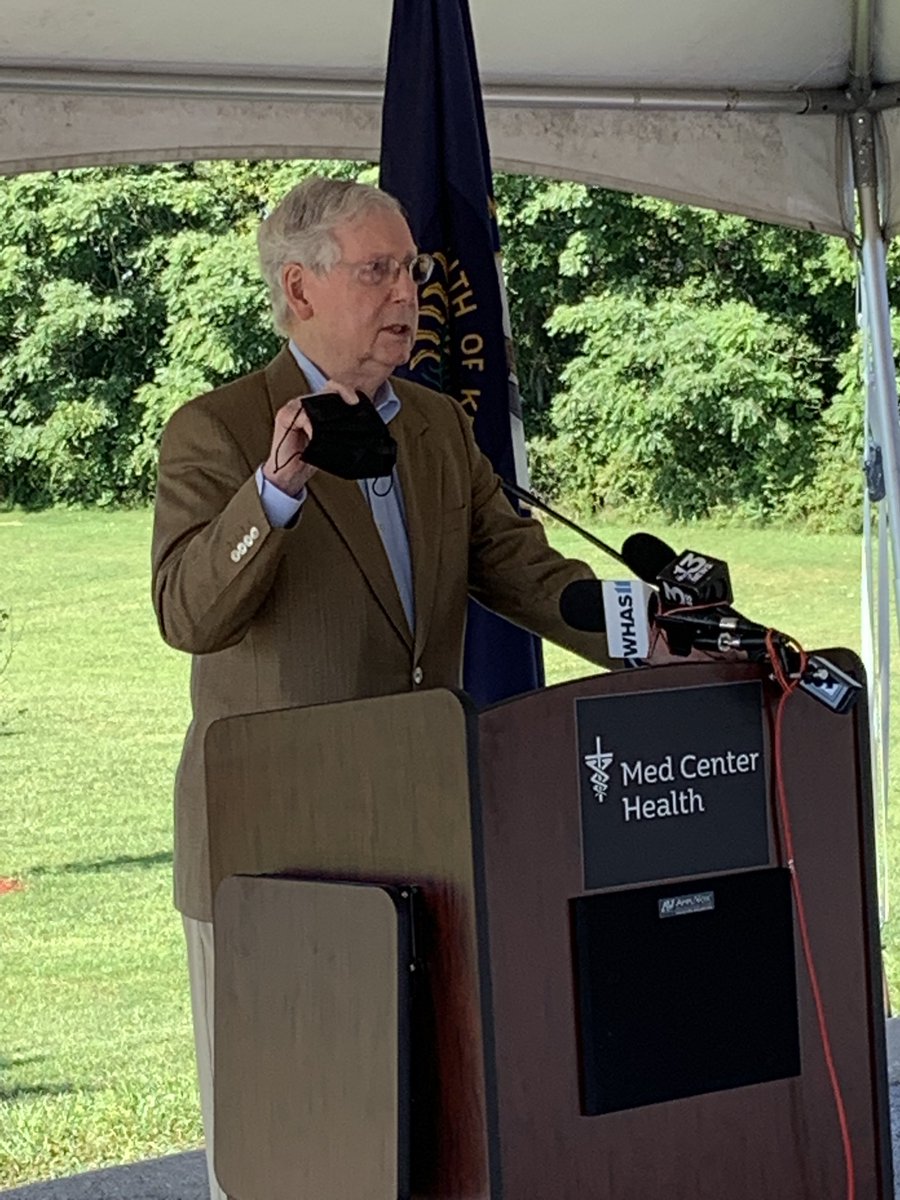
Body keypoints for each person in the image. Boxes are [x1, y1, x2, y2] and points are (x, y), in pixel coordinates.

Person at [151, 176, 616, 1199]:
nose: (409, 290)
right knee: (288, 1151)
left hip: (424, 840)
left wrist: (644, 629)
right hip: (271, 859)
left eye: (410, 267)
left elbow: (529, 573)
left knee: (421, 1140)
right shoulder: (217, 429)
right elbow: (187, 614)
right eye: (378, 269)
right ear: (300, 287)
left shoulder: (441, 428)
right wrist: (272, 493)